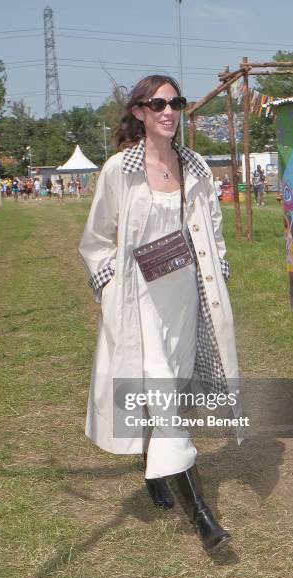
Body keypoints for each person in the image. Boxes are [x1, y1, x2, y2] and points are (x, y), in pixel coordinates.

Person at [79, 75, 241, 552]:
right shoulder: (119, 171)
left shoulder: (195, 167)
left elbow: (213, 229)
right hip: (141, 305)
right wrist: (112, 288)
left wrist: (217, 273)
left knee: (165, 390)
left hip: (186, 301)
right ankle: (205, 518)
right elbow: (96, 240)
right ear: (140, 112)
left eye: (176, 103)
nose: (168, 111)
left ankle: (155, 468)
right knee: (162, 393)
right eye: (158, 104)